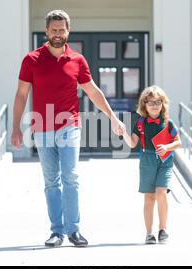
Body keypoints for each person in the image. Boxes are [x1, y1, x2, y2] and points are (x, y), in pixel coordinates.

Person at [11, 10, 126, 247]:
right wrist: (15, 128)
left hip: (69, 125)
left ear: (68, 31)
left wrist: (113, 118)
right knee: (51, 181)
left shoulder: (77, 60)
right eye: (53, 30)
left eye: (61, 30)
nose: (57, 34)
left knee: (70, 177)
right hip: (42, 128)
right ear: (46, 31)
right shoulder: (31, 59)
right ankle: (56, 231)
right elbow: (22, 95)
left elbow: (93, 91)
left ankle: (74, 230)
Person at [122, 85, 181, 244]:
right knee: (149, 197)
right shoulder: (140, 123)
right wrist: (124, 133)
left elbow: (178, 142)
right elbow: (133, 143)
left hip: (165, 160)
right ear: (144, 105)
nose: (155, 105)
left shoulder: (168, 123)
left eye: (158, 102)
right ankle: (149, 233)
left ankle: (163, 229)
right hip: (147, 160)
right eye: (151, 102)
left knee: (161, 192)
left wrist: (167, 147)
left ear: (163, 103)